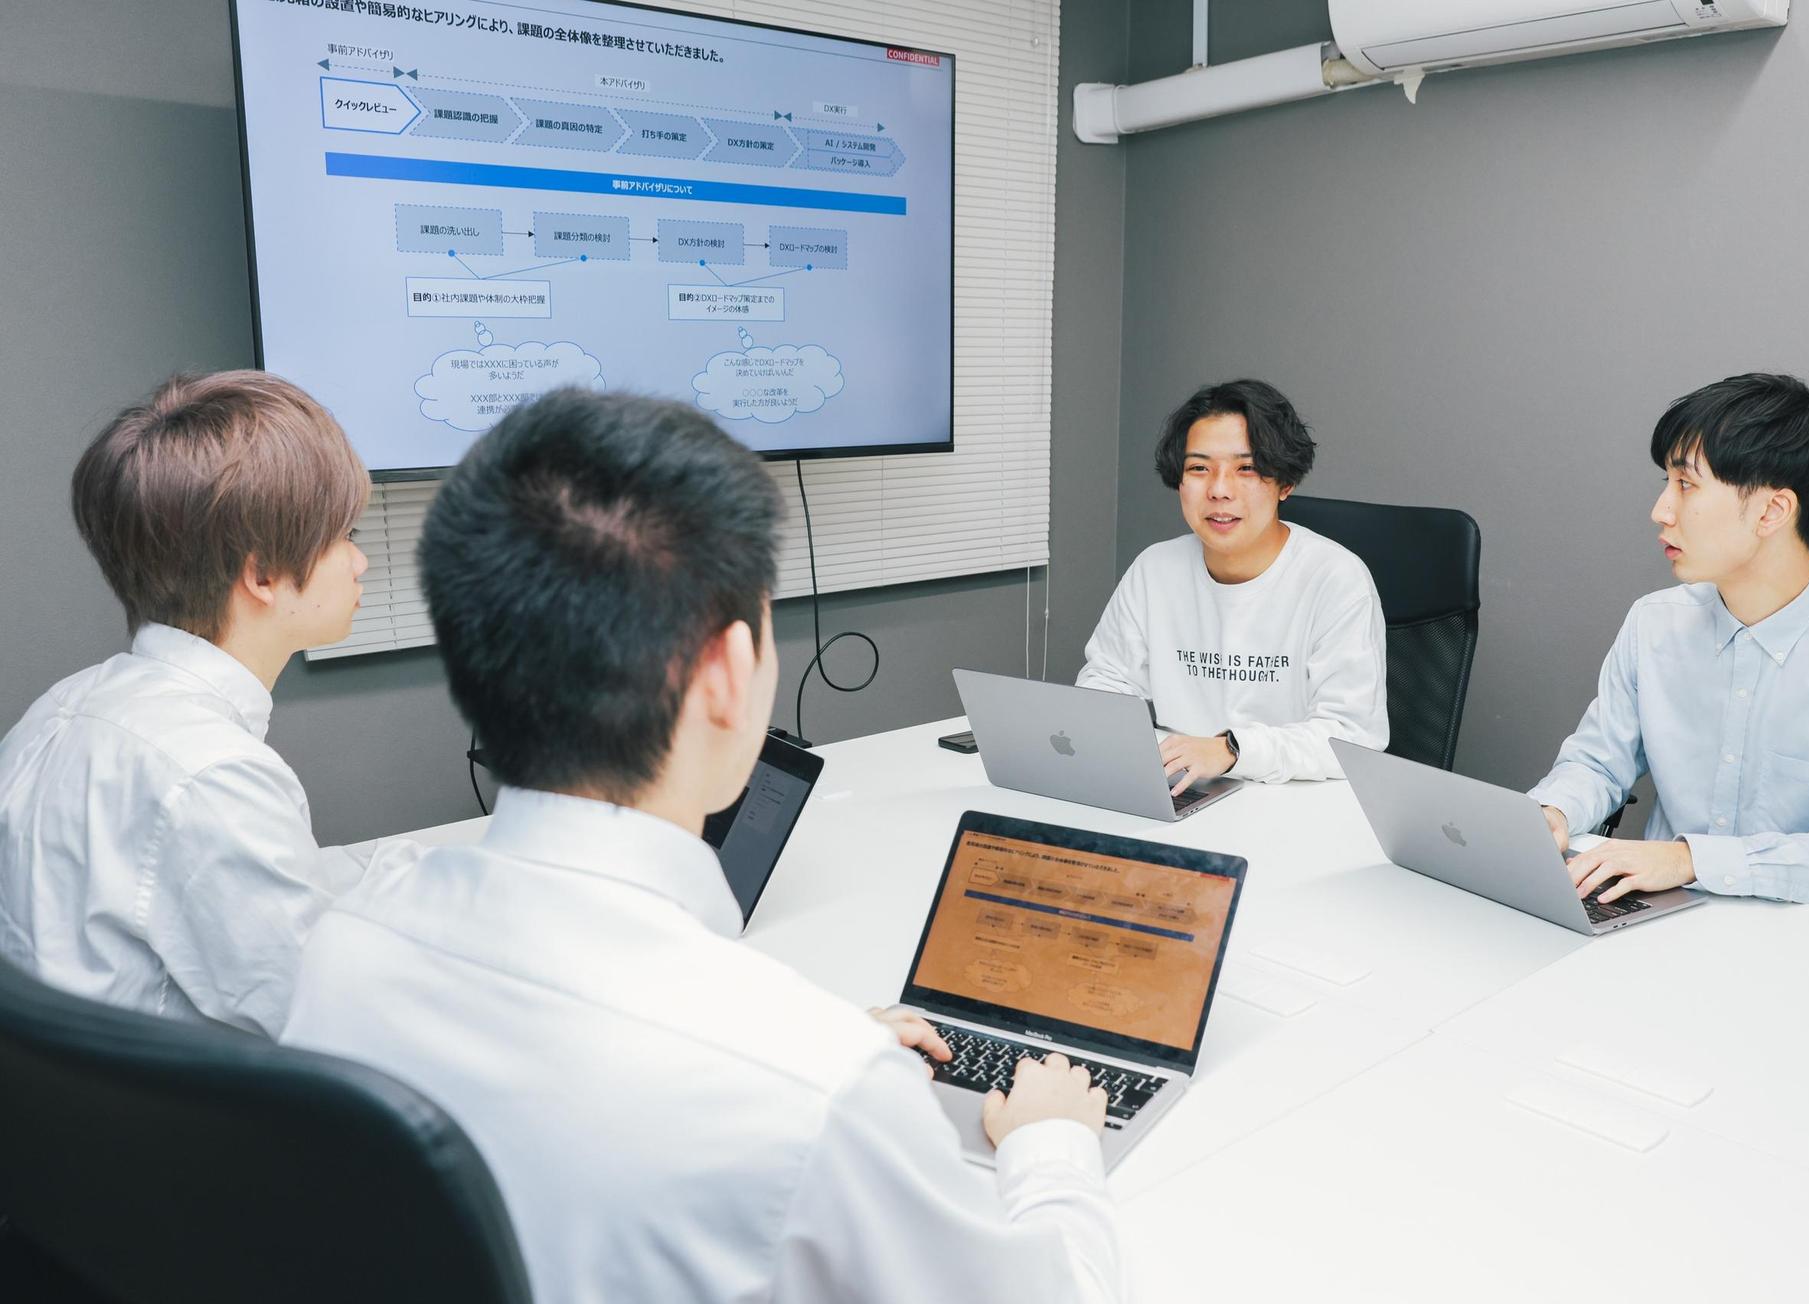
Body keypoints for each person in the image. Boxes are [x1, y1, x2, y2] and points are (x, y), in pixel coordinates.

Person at [281, 389, 1123, 1303]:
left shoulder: (343, 949)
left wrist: (812, 1051)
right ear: (726, 672)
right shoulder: (818, 1090)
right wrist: (1053, 1147)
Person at [0, 371, 412, 1034]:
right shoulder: (214, 774)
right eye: (346, 535)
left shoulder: (61, 708)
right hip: (188, 1098)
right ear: (263, 575)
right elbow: (329, 1024)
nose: (360, 563)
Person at [1534, 373, 1809, 907]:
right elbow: (1597, 762)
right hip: (1657, 923)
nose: (1661, 511)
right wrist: (1553, 811)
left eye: (1686, 485)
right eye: (1667, 482)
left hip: (1806, 938)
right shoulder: (1655, 623)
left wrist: (1690, 860)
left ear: (1772, 512)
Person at [1078, 378, 1389, 791]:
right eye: (1199, 468)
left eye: (1247, 469)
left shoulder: (1336, 579)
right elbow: (1106, 681)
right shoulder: (1155, 569)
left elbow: (1352, 735)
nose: (1219, 490)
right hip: (1181, 789)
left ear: (1285, 483)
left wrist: (1232, 750)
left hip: (1293, 799)